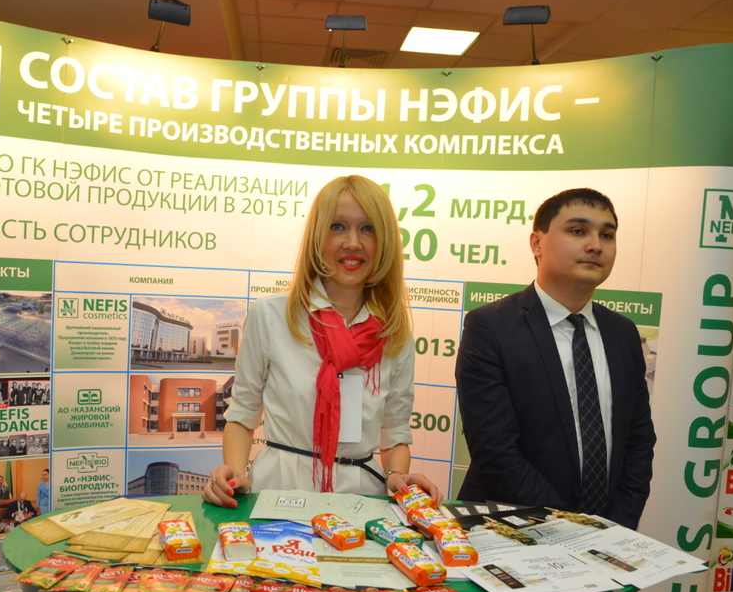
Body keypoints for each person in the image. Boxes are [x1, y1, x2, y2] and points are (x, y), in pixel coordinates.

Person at [203, 176, 442, 508]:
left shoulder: (395, 332)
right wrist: (234, 472)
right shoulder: (271, 315)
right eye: (338, 227)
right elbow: (243, 413)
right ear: (317, 235)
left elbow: (395, 434)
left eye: (368, 229)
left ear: (385, 241)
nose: (353, 243)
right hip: (278, 492)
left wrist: (397, 475)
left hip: (361, 500)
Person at [455, 188, 656, 530]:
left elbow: (638, 442)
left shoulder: (622, 333)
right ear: (537, 243)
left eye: (607, 235)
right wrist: (570, 526)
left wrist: (614, 526)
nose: (595, 245)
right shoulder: (490, 326)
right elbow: (495, 451)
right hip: (510, 529)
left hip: (606, 534)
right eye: (578, 231)